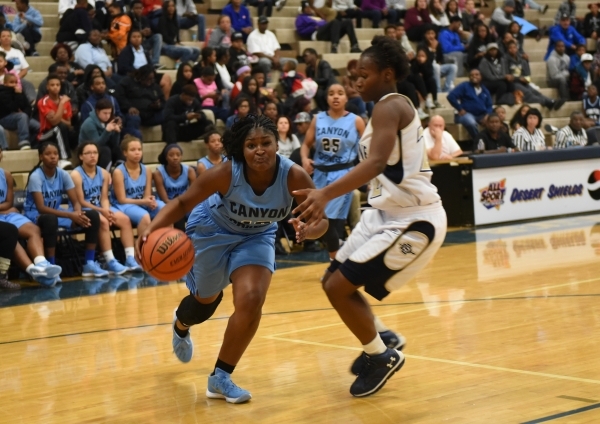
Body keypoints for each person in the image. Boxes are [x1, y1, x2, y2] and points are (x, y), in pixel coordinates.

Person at [135, 114, 328, 404]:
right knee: (204, 304)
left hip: (258, 235)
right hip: (212, 229)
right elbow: (182, 202)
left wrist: (309, 229)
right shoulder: (227, 172)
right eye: (251, 145)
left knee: (251, 299)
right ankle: (181, 324)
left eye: (266, 143)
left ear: (278, 145)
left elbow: (322, 222)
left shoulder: (294, 176)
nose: (259, 150)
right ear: (242, 148)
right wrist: (152, 228)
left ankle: (220, 378)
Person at [293, 35, 447, 397]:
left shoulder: (389, 107)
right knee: (331, 281)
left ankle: (381, 356)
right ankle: (382, 338)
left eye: (364, 74)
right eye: (354, 75)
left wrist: (325, 193)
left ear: (387, 74)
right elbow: (374, 170)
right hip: (382, 213)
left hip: (414, 219)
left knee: (338, 287)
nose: (355, 81)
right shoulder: (380, 109)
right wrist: (319, 216)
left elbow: (376, 162)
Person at [24, 142, 106, 279]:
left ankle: (89, 263)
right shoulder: (36, 177)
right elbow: (41, 208)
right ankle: (51, 266)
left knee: (92, 215)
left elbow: (75, 201)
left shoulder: (63, 174)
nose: (53, 157)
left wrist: (78, 214)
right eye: (48, 154)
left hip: (57, 213)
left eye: (55, 154)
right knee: (50, 220)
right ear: (41, 157)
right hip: (35, 215)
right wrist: (70, 214)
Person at [301, 83, 364, 262]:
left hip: (343, 174)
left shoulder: (356, 121)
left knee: (332, 222)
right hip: (320, 174)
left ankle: (335, 263)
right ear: (327, 98)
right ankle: (341, 257)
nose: (335, 96)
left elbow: (368, 147)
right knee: (320, 220)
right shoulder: (318, 119)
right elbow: (305, 144)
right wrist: (305, 159)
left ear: (346, 98)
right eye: (331, 93)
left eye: (340, 93)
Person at [0, 147, 64, 286]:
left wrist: (6, 209)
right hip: (4, 214)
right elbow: (6, 205)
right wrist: (4, 208)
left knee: (33, 230)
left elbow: (9, 202)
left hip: (7, 214)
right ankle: (32, 271)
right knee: (10, 234)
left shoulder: (6, 175)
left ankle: (41, 264)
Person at [71, 142, 137, 274]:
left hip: (101, 208)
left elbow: (104, 198)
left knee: (124, 219)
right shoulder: (76, 175)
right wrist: (103, 212)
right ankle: (110, 260)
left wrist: (107, 211)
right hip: (84, 210)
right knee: (103, 222)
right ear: (81, 157)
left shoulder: (105, 173)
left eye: (95, 153)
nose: (92, 156)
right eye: (88, 153)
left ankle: (130, 258)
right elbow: (81, 201)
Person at [111, 136, 165, 236]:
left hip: (141, 202)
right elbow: (122, 199)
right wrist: (144, 201)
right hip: (125, 205)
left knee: (165, 210)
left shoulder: (147, 170)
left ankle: (167, 244)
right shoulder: (119, 172)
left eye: (139, 149)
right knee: (143, 216)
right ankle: (142, 249)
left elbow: (147, 195)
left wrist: (150, 200)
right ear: (125, 153)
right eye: (133, 150)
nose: (137, 152)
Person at [116, 29, 173, 98]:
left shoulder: (145, 50)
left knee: (166, 78)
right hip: (136, 75)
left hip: (148, 74)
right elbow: (123, 68)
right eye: (134, 37)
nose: (137, 39)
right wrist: (137, 72)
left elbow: (150, 64)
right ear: (129, 39)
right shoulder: (126, 51)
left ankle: (164, 103)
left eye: (139, 37)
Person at [153, 143, 196, 231]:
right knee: (176, 212)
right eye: (171, 155)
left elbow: (194, 193)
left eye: (178, 155)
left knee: (198, 212)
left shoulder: (189, 170)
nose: (175, 157)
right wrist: (179, 205)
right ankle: (179, 240)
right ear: (166, 157)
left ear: (181, 157)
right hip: (167, 204)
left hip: (184, 202)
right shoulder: (158, 173)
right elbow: (164, 199)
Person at [37, 73, 75, 169]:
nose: (55, 87)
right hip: (45, 134)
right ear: (47, 87)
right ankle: (63, 158)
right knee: (59, 128)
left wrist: (57, 117)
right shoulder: (43, 101)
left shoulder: (66, 101)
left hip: (61, 131)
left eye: (58, 85)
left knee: (72, 131)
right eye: (52, 85)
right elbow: (53, 123)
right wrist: (61, 104)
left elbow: (69, 123)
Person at [295, 2, 361, 54]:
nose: (309, 9)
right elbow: (301, 31)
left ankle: (354, 46)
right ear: (303, 10)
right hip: (316, 34)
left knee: (348, 22)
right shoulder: (301, 18)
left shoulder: (315, 16)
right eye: (306, 8)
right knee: (334, 21)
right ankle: (334, 47)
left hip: (327, 33)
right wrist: (314, 27)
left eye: (309, 7)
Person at [447, 69, 493, 141]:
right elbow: (451, 96)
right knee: (471, 122)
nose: (474, 76)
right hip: (466, 114)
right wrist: (460, 108)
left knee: (494, 121)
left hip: (481, 115)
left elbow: (489, 106)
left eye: (476, 75)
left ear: (481, 76)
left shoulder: (485, 90)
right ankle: (479, 141)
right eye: (471, 75)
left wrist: (487, 116)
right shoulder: (464, 86)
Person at [79, 98, 124, 169]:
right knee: (105, 150)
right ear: (97, 111)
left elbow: (114, 144)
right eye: (105, 113)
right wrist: (107, 131)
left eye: (109, 113)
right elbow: (96, 144)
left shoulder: (109, 121)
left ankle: (120, 172)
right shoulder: (89, 123)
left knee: (118, 149)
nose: (107, 116)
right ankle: (104, 174)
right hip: (88, 152)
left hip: (103, 152)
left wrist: (117, 133)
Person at [158, 0, 200, 66]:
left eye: (173, 6)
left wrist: (178, 42)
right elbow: (164, 36)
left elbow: (177, 35)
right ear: (165, 8)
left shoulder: (176, 20)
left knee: (197, 50)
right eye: (169, 6)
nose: (171, 8)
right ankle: (179, 66)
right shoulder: (162, 19)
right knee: (188, 51)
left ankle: (187, 64)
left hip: (174, 44)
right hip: (165, 46)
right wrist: (174, 43)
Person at [419, 26, 457, 93]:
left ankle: (447, 89)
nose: (431, 36)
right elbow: (424, 62)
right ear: (424, 35)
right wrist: (432, 49)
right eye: (428, 34)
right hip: (426, 69)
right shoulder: (421, 45)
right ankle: (438, 91)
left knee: (453, 67)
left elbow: (441, 58)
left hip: (437, 67)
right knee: (436, 67)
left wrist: (441, 62)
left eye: (432, 33)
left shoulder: (438, 44)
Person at [0, 73, 33, 150]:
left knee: (37, 126)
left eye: (16, 82)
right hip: (4, 119)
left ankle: (36, 145)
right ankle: (24, 141)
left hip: (19, 117)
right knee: (22, 117)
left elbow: (27, 106)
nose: (14, 84)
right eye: (11, 82)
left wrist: (25, 114)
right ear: (5, 83)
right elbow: (12, 107)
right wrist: (18, 95)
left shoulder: (19, 92)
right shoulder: (2, 93)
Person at [129, 0, 163, 69]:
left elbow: (149, 31)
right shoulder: (128, 18)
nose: (139, 10)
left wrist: (148, 32)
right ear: (132, 9)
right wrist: (140, 32)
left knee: (158, 36)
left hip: (144, 42)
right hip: (134, 45)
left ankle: (155, 63)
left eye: (140, 8)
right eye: (136, 8)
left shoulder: (144, 18)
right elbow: (128, 33)